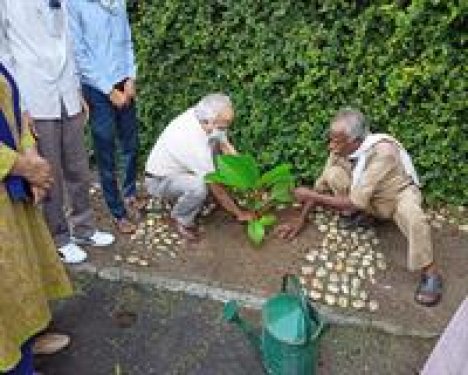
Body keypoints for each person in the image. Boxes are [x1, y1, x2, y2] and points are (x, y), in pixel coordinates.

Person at [277, 108, 442, 307]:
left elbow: (351, 200)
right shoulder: (341, 150)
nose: (331, 146)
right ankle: (362, 217)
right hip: (367, 200)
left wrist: (311, 196)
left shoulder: (383, 152)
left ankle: (430, 273)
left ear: (355, 141)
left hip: (395, 197)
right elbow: (320, 186)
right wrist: (300, 218)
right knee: (333, 175)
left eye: (336, 141)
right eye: (330, 140)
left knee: (414, 217)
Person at [0, 0, 114, 264]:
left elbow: (68, 42)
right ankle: (59, 237)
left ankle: (84, 228)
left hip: (66, 92)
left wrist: (76, 89)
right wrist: (21, 106)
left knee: (78, 166)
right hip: (34, 93)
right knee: (49, 171)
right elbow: (4, 55)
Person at [0, 62, 73, 375]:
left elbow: (18, 115)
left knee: (22, 277)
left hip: (11, 197)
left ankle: (27, 345)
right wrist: (23, 167)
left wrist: (31, 157)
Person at [67, 0, 144, 234]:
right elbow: (78, 53)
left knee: (131, 144)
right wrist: (109, 90)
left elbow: (127, 42)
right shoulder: (75, 5)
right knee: (106, 151)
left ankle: (129, 193)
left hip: (123, 82)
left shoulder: (117, 2)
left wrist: (131, 76)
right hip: (98, 89)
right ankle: (117, 211)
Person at [144, 93, 254, 240]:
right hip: (159, 180)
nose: (226, 128)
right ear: (209, 122)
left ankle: (207, 200)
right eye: (224, 124)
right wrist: (239, 213)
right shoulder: (193, 141)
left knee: (214, 150)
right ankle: (180, 219)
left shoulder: (203, 115)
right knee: (199, 186)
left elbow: (226, 146)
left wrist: (246, 175)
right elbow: (215, 185)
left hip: (183, 168)